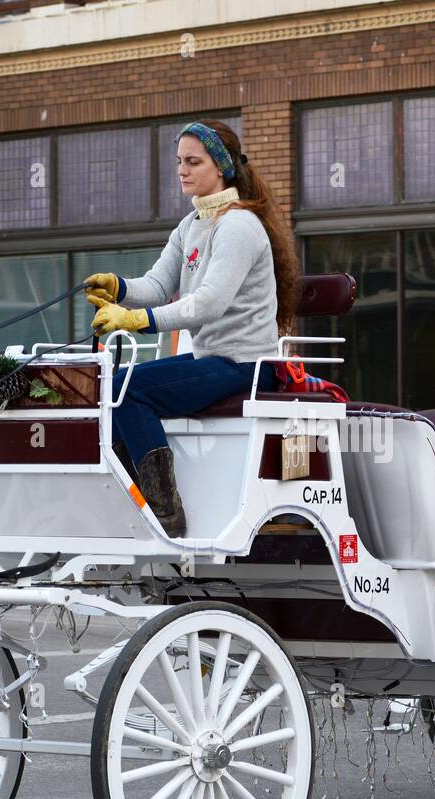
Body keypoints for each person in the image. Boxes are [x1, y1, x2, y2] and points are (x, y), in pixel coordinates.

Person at [83, 119, 299, 538]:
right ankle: (137, 498)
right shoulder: (191, 225)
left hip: (248, 366)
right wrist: (120, 288)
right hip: (213, 361)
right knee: (111, 389)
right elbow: (159, 285)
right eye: (179, 161)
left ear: (221, 167)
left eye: (193, 162)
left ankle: (164, 512)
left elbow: (208, 303)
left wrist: (136, 320)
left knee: (125, 390)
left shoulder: (238, 225)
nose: (181, 170)